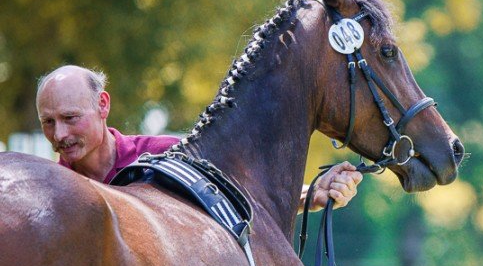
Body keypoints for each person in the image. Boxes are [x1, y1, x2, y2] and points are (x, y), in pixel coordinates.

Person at [36, 65, 362, 212]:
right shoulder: (46, 193)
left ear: (102, 105)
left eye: (70, 118)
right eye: (48, 122)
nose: (59, 134)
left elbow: (246, 195)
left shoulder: (167, 157)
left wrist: (313, 194)